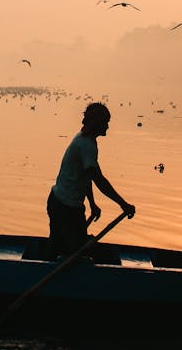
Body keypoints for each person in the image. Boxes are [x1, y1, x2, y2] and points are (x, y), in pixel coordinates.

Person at [45, 102, 135, 259]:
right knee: (74, 254)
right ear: (96, 124)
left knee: (61, 249)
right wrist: (123, 204)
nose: (107, 126)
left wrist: (92, 204)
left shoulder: (86, 141)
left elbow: (86, 178)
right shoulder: (86, 144)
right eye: (105, 122)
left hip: (60, 203)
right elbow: (99, 180)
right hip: (66, 208)